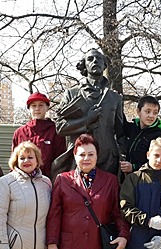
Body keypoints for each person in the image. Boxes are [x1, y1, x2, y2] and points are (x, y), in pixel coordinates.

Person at [52, 48, 127, 178]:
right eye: (90, 59)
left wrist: (123, 156)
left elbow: (121, 132)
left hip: (108, 160)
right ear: (85, 65)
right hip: (80, 160)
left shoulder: (115, 98)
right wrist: (86, 120)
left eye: (99, 59)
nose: (95, 61)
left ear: (104, 65)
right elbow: (60, 127)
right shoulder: (72, 94)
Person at [12, 92, 67, 177]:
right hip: (22, 181)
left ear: (47, 108)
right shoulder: (19, 133)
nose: (37, 108)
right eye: (33, 106)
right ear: (29, 108)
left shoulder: (56, 131)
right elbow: (14, 160)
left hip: (48, 181)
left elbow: (60, 161)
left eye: (41, 105)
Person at [120, 95, 161, 174]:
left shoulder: (160, 135)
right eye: (148, 111)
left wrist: (133, 167)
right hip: (130, 177)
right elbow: (120, 122)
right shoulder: (134, 127)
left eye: (155, 113)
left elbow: (160, 163)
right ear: (138, 111)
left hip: (149, 179)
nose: (151, 116)